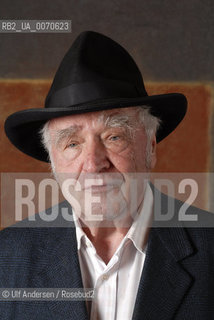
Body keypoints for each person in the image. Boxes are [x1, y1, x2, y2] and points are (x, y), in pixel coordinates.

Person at [2, 31, 214, 320]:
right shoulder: (8, 257)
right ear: (53, 162)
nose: (93, 164)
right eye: (72, 143)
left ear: (151, 146)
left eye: (114, 137)